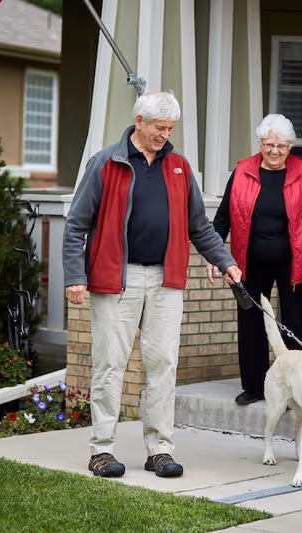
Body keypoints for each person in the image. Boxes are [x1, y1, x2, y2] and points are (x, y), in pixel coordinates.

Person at [63, 91, 242, 479]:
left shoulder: (178, 167)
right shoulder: (106, 163)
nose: (165, 135)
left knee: (163, 364)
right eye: (159, 127)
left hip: (165, 279)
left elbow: (198, 226)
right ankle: (102, 450)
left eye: (170, 129)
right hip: (116, 277)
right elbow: (76, 224)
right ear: (139, 121)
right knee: (111, 364)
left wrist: (225, 262)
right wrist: (76, 276)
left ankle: (160, 449)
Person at [207, 114, 302, 406]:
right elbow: (222, 218)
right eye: (269, 144)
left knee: (297, 324)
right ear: (260, 144)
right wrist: (215, 257)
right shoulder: (242, 171)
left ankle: (298, 389)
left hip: (298, 261)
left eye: (282, 145)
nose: (275, 151)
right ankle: (253, 387)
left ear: (290, 146)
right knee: (252, 322)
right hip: (250, 261)